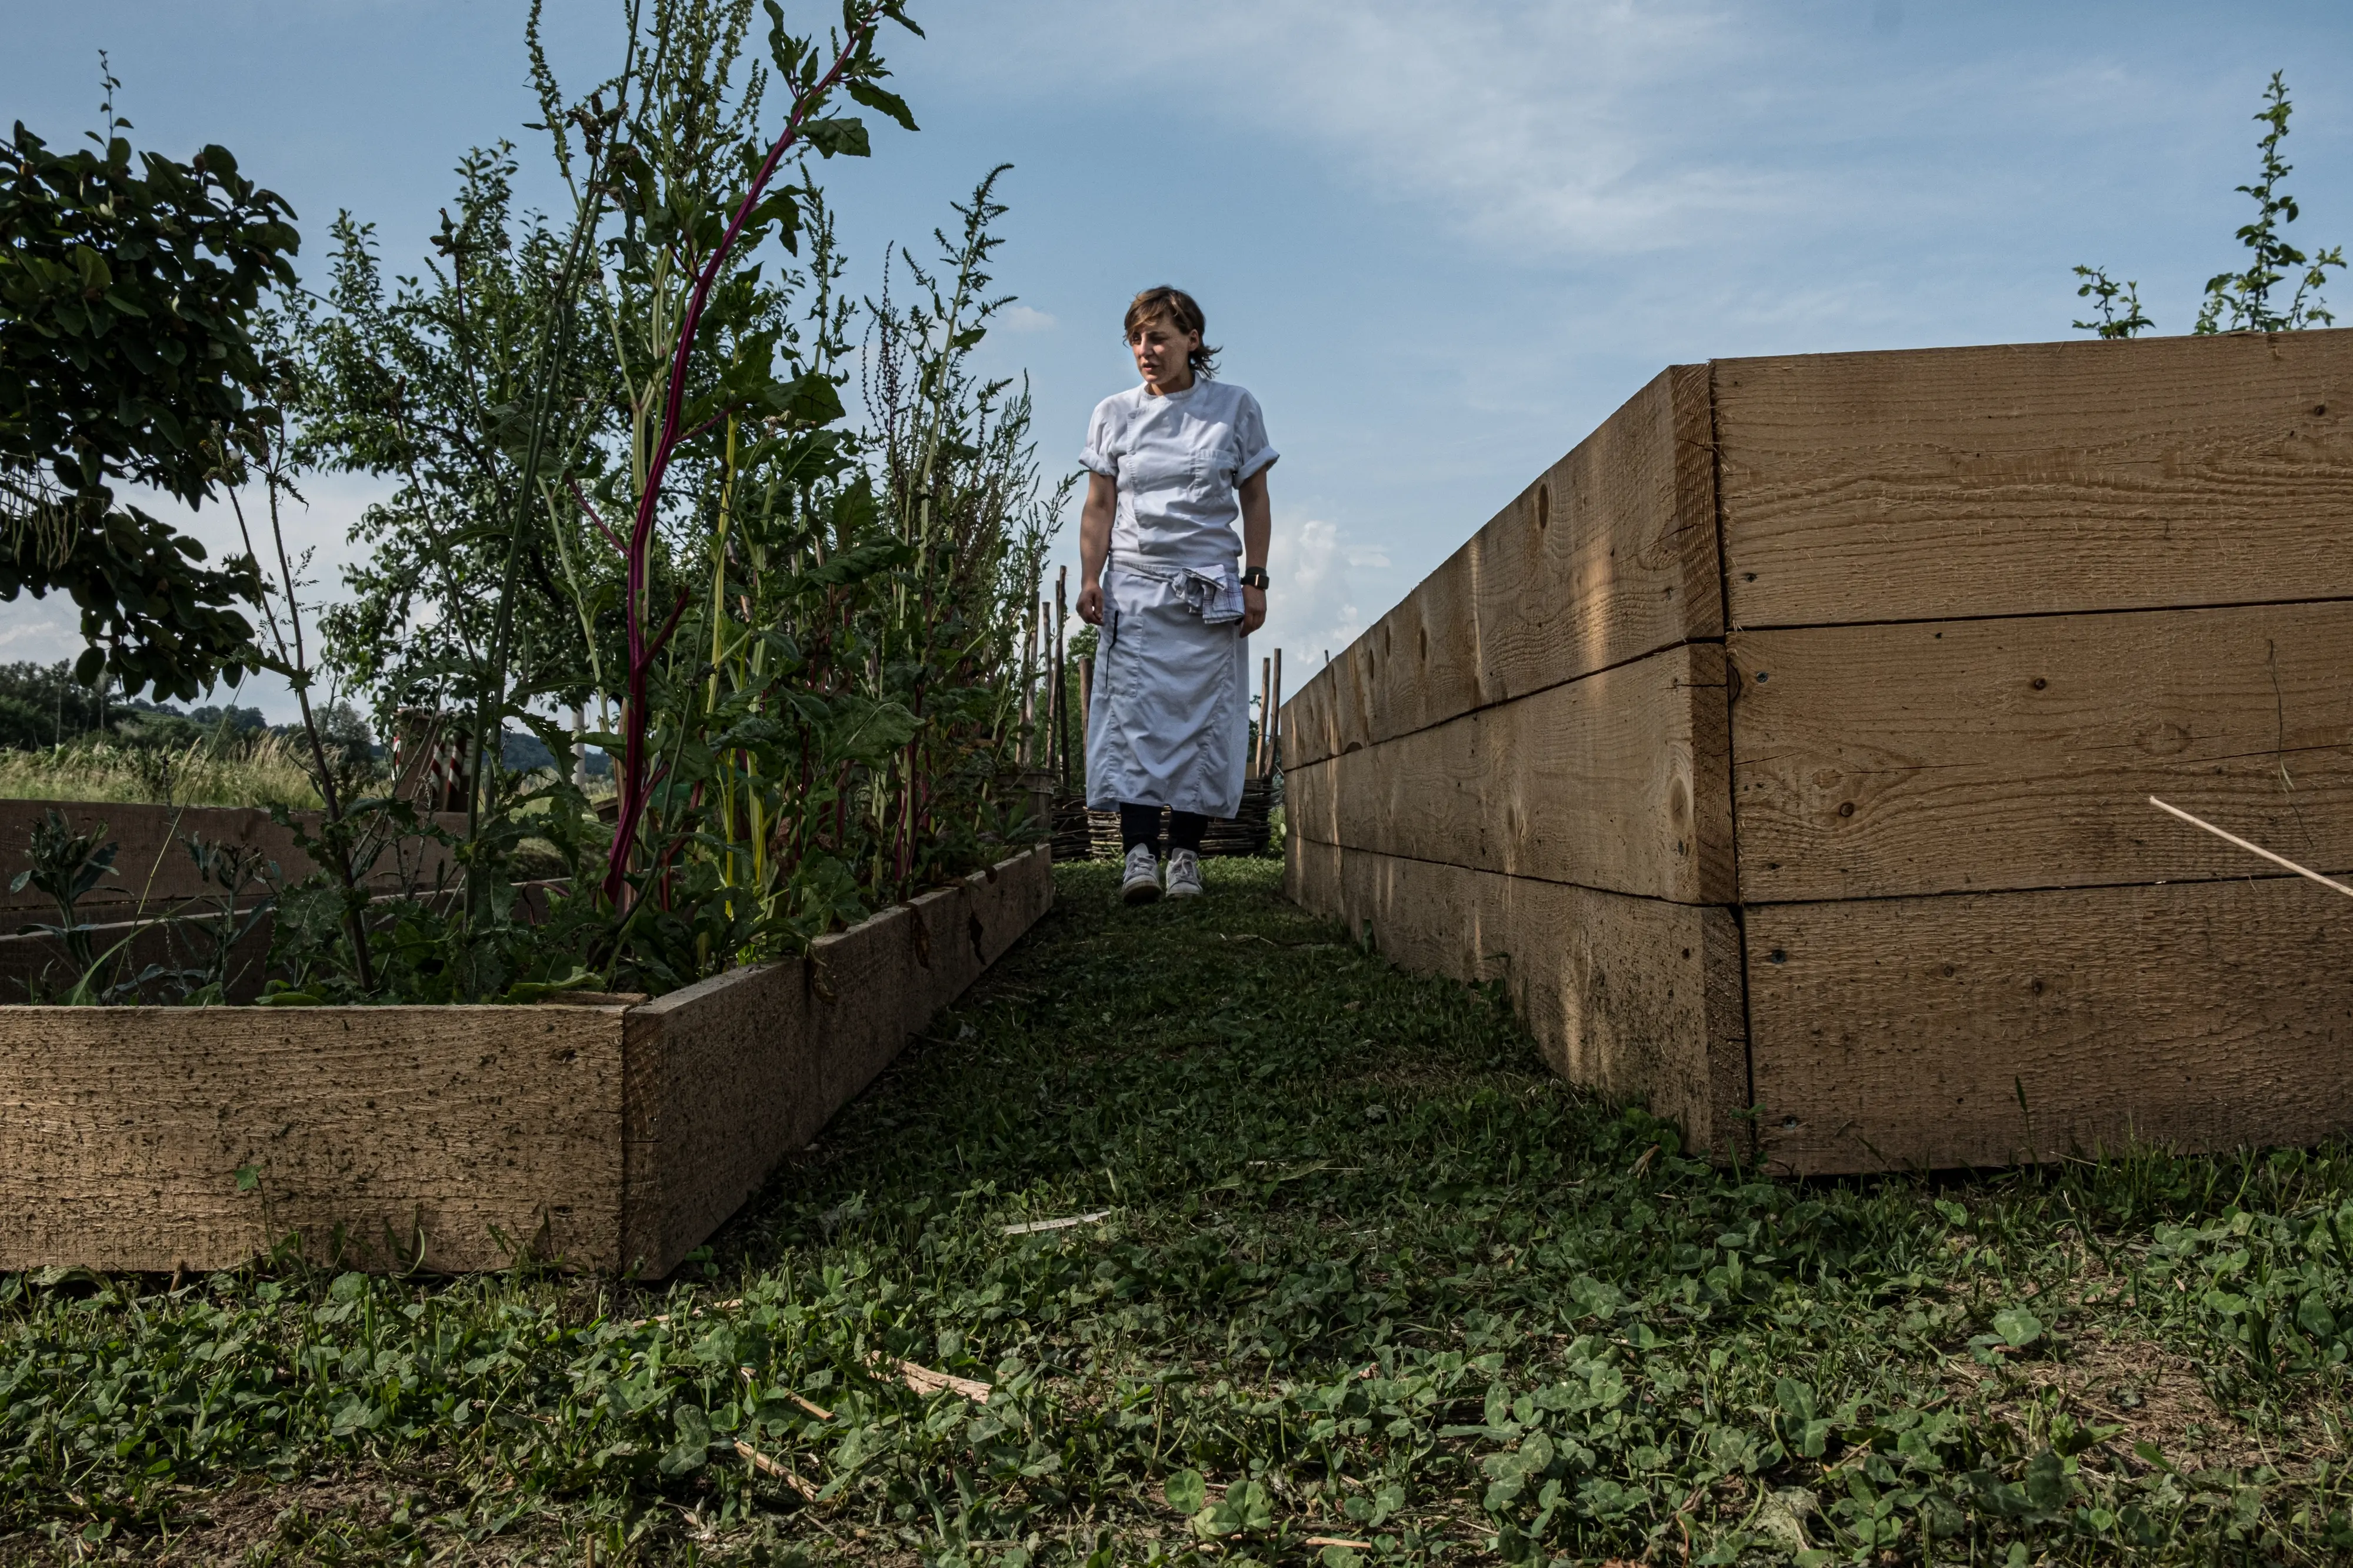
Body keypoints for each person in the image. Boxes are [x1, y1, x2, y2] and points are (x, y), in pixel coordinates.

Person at [1075, 286, 1276, 904]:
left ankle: (1185, 857)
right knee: (1134, 716)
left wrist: (1256, 580)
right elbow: (1100, 503)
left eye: (1158, 337)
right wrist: (1089, 576)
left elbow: (1255, 500)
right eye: (1136, 338)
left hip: (1209, 586)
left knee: (1202, 719)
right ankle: (1138, 855)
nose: (1146, 350)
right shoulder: (1113, 412)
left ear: (1193, 338)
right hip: (1134, 583)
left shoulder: (1234, 408)